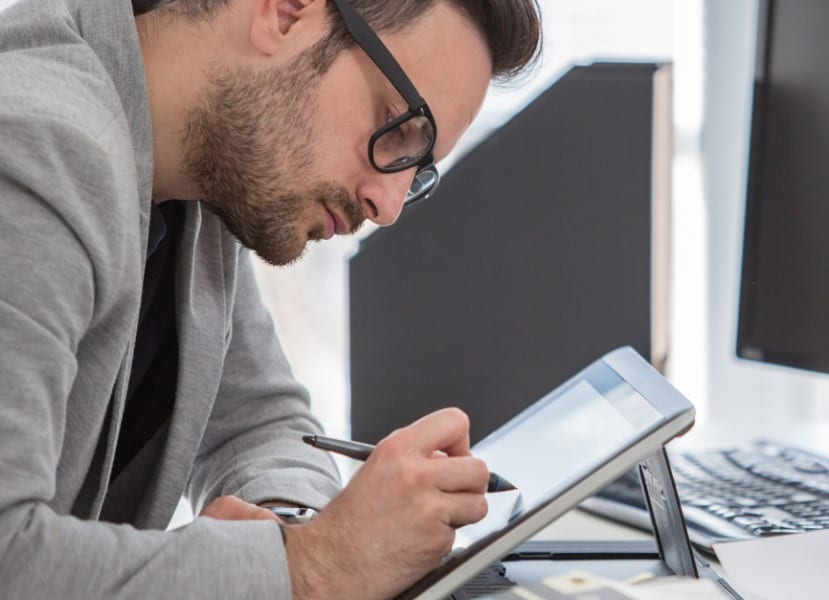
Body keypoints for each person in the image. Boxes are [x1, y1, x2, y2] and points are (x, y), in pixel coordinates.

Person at [0, 0, 540, 596]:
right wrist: (310, 567)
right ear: (286, 13)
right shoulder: (33, 146)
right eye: (399, 127)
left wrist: (293, 527)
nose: (386, 207)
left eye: (417, 171)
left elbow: (258, 420)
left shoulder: (195, 177)